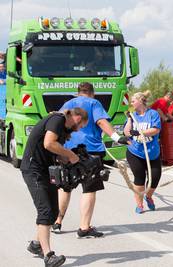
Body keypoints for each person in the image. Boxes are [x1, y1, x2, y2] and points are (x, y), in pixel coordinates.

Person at [52, 82, 129, 237]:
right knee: (89, 188)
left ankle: (57, 222)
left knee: (65, 186)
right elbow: (101, 121)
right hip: (90, 151)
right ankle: (84, 227)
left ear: (78, 92)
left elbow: (58, 122)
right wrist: (116, 137)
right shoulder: (94, 103)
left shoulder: (67, 104)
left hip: (68, 149)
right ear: (92, 93)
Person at [22, 108, 88, 267]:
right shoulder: (57, 120)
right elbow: (49, 143)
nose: (78, 129)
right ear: (77, 118)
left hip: (45, 169)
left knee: (53, 211)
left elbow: (52, 150)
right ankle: (48, 256)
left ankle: (36, 244)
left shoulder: (61, 125)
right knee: (45, 211)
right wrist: (71, 155)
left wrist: (68, 159)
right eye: (81, 126)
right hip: (33, 169)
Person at [124, 91, 162, 214]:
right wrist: (129, 120)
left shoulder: (152, 114)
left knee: (155, 178)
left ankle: (149, 196)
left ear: (140, 101)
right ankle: (139, 205)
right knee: (139, 177)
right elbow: (126, 132)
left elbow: (156, 129)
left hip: (152, 152)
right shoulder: (133, 116)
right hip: (135, 152)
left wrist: (141, 132)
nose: (131, 103)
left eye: (133, 101)